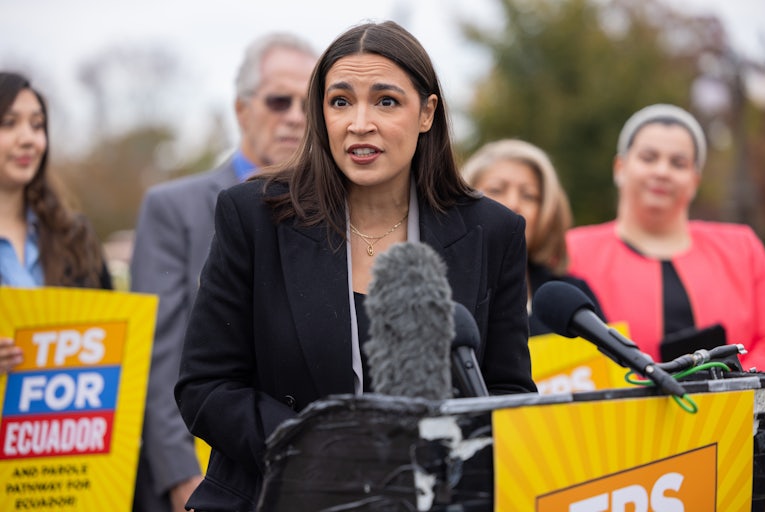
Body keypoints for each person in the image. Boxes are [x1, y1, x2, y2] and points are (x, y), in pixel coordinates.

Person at [174, 20, 537, 510]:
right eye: (340, 101)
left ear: (427, 112)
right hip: (274, 494)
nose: (359, 122)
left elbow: (507, 392)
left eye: (386, 101)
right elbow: (206, 386)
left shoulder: (492, 232)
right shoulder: (254, 216)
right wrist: (323, 454)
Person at [129, 34, 317, 512]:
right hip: (208, 481)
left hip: (308, 478)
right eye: (279, 100)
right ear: (242, 109)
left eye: (309, 102)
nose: (295, 115)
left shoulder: (340, 215)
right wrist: (181, 478)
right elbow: (158, 354)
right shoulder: (175, 209)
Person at [566, 103, 765, 371]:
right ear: (620, 167)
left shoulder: (742, 248)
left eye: (678, 163)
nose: (662, 171)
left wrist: (735, 392)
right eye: (649, 158)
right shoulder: (572, 252)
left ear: (695, 179)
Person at [0, 71, 112, 373]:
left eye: (37, 125)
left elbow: (110, 339)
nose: (28, 139)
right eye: (9, 123)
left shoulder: (75, 235)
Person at [461, 138, 604, 336]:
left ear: (545, 212)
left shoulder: (572, 296)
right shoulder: (441, 293)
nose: (513, 204)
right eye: (496, 190)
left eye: (528, 196)